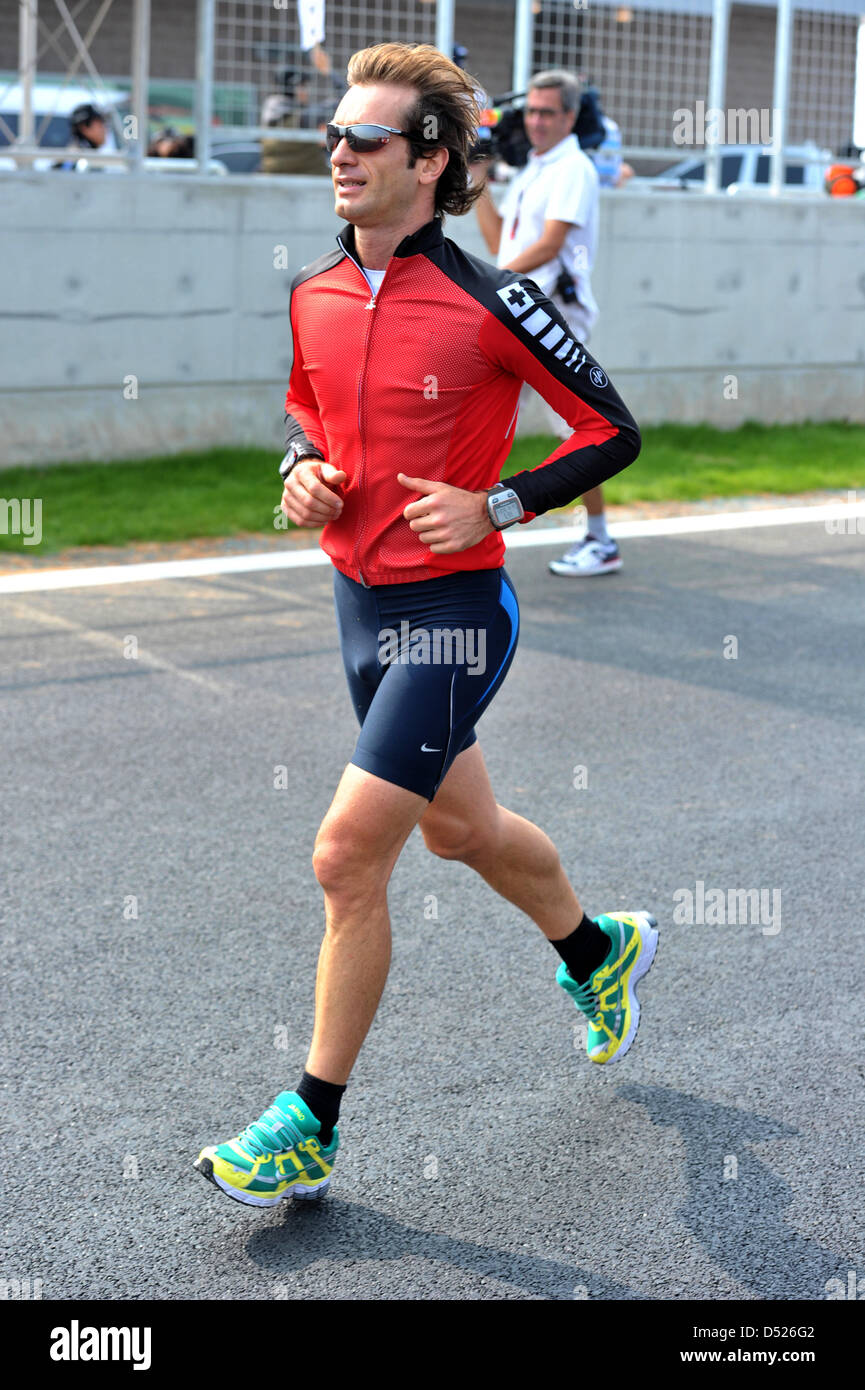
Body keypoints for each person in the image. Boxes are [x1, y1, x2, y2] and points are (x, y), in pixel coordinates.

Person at [194, 42, 658, 1208]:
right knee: (461, 829)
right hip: (358, 602)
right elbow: (307, 409)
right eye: (334, 135)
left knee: (346, 855)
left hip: (456, 612)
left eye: (364, 139)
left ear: (431, 158)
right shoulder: (312, 289)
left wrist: (499, 502)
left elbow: (611, 429)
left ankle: (310, 1118)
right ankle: (597, 953)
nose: (336, 153)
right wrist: (303, 470)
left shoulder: (494, 299)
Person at [473, 71, 621, 578]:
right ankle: (467, 519)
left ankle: (600, 540)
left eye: (548, 112)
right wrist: (480, 186)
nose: (535, 121)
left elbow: (551, 245)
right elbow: (501, 245)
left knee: (586, 430)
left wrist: (494, 281)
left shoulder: (573, 168)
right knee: (484, 413)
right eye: (531, 111)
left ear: (570, 117)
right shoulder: (535, 166)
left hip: (554, 313)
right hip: (517, 310)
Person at [52, 102, 107, 171]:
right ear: (84, 127)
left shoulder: (75, 154)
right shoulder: (79, 159)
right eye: (101, 125)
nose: (105, 129)